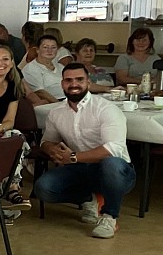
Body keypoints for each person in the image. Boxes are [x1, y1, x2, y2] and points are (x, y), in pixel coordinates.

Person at [33, 63, 136, 239]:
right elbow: (47, 141)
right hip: (80, 168)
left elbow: (114, 149)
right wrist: (52, 150)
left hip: (117, 172)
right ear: (62, 84)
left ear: (88, 83)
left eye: (79, 79)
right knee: (43, 188)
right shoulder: (56, 112)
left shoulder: (106, 108)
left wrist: (73, 157)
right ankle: (90, 198)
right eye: (69, 80)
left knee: (111, 164)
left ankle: (109, 216)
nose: (74, 84)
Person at [0, 44, 30, 210]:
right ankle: (7, 191)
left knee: (15, 136)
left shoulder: (13, 87)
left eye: (5, 59)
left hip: (0, 129)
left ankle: (11, 187)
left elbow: (10, 119)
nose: (0, 63)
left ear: (11, 63)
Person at [22, 34, 65, 105]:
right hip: (51, 103)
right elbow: (39, 92)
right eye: (45, 47)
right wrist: (59, 104)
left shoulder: (61, 67)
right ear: (38, 50)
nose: (49, 50)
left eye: (53, 47)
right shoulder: (31, 68)